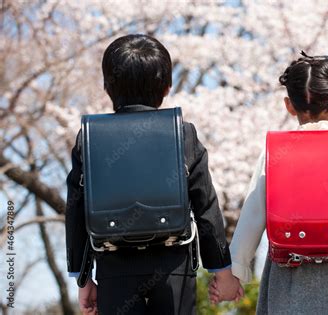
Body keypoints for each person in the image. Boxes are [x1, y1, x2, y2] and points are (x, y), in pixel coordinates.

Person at [209, 52, 328, 314]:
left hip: (288, 273)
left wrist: (235, 272)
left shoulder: (274, 152)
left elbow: (253, 213)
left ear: (289, 105)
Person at [65, 34, 243, 315]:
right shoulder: (182, 134)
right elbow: (206, 204)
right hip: (173, 266)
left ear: (106, 86)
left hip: (114, 266)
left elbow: (75, 209)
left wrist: (82, 277)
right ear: (167, 86)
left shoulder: (88, 139)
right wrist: (222, 270)